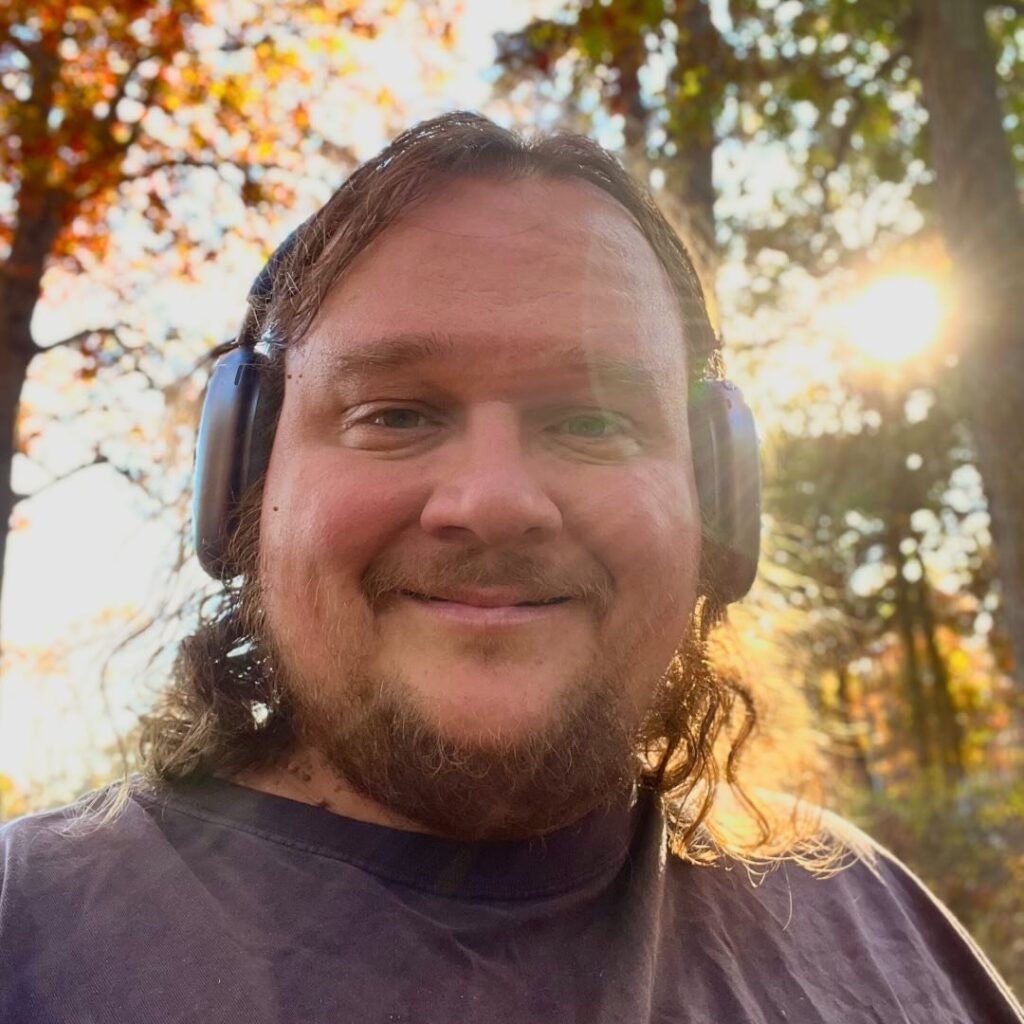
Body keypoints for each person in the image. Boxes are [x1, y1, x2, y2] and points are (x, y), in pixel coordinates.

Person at [1, 112, 1020, 1024]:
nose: (492, 498)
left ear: (717, 509)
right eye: (394, 413)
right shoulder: (25, 937)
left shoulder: (873, 920)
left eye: (591, 418)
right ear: (242, 494)